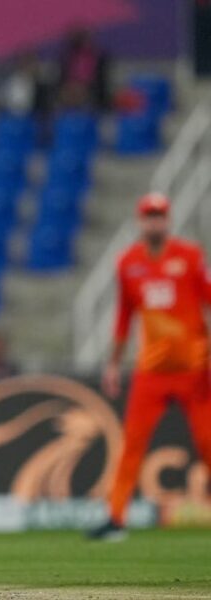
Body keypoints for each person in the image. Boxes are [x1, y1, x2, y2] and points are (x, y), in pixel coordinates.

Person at [88, 193, 211, 541]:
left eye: (159, 216)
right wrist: (113, 364)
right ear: (140, 221)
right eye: (148, 216)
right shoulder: (128, 263)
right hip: (151, 371)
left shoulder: (189, 257)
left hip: (194, 370)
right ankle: (115, 518)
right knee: (132, 444)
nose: (154, 221)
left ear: (167, 220)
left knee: (208, 444)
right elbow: (123, 319)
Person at [56, 28, 110, 112]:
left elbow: (95, 76)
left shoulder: (95, 55)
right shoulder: (68, 55)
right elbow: (64, 76)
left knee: (78, 91)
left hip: (88, 87)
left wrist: (82, 85)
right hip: (71, 86)